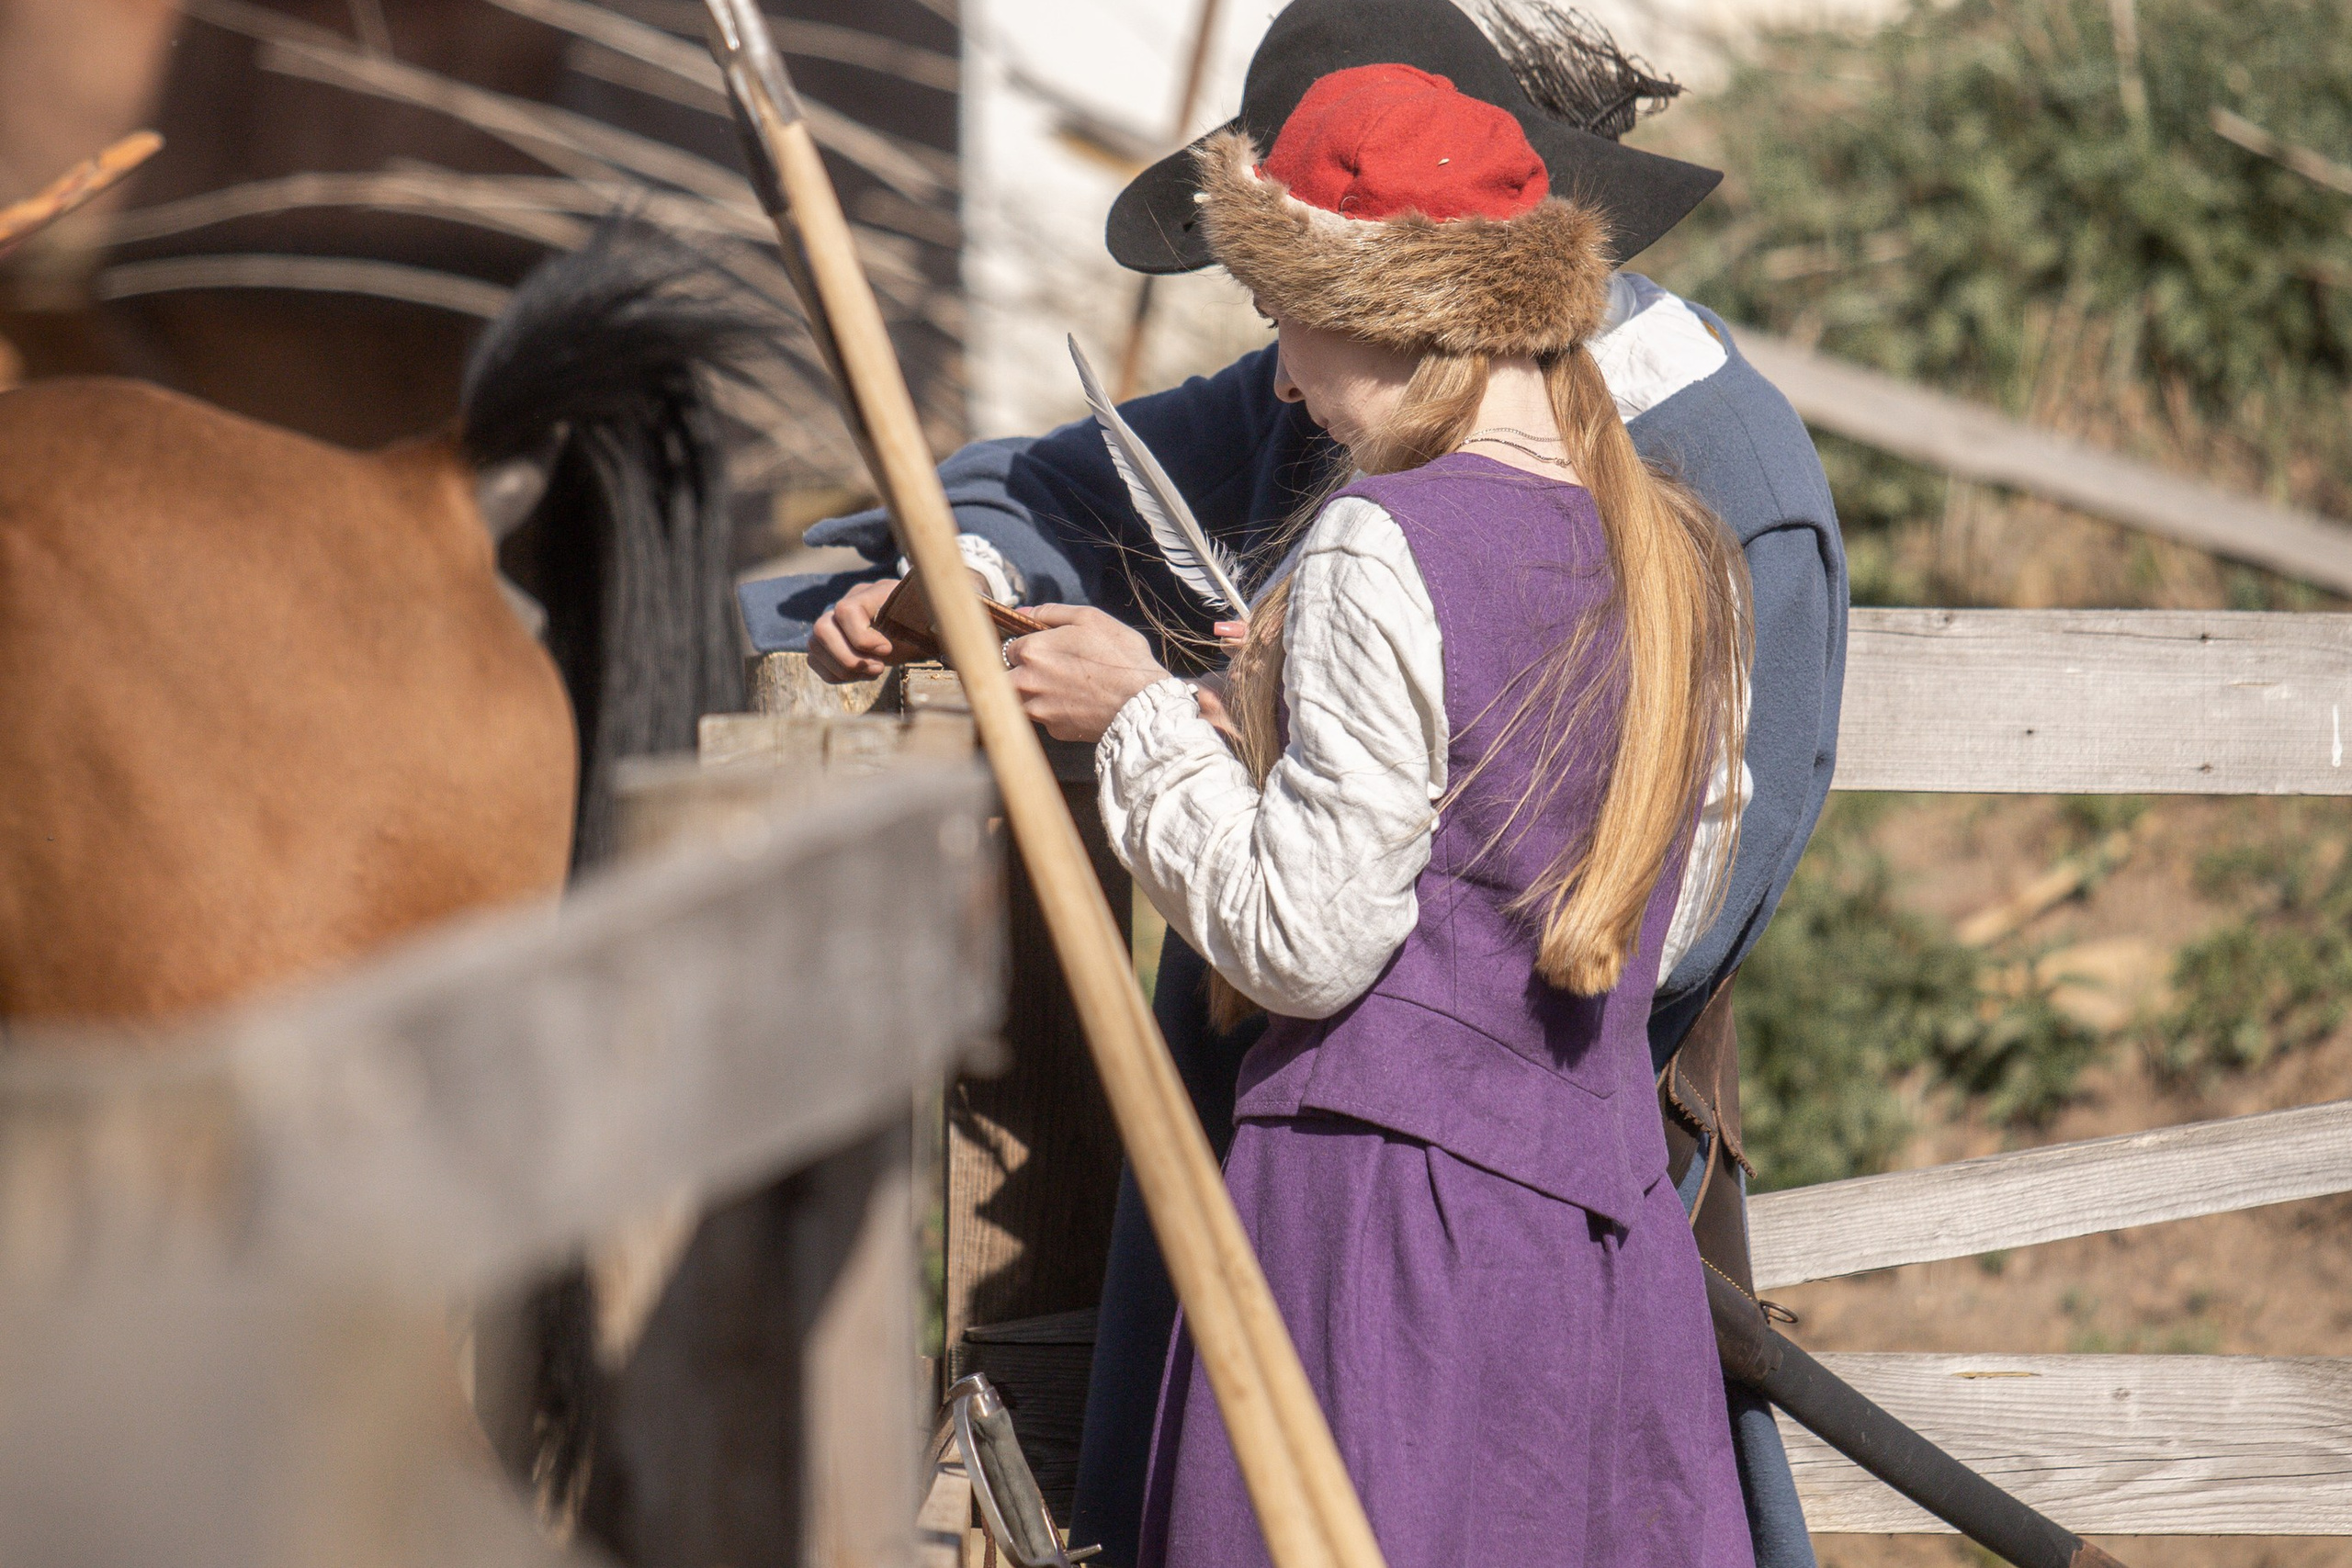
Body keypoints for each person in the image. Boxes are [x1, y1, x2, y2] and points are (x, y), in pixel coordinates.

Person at [752, 4, 1845, 1564]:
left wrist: (1159, 729)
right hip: (1537, 1194)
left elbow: (1647, 914)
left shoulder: (1681, 474)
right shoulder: (1518, 458)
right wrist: (979, 579)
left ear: (1374, 290)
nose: (1268, 381)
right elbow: (1048, 487)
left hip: (1434, 1188)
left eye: (1284, 314)